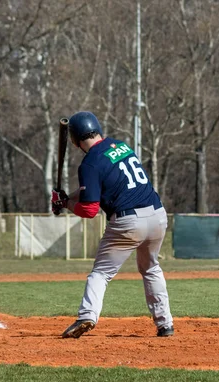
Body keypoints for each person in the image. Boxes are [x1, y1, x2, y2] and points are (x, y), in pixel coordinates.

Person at [51, 111, 174, 338]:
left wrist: (66, 203)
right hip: (157, 215)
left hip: (128, 222)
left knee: (101, 273)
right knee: (151, 268)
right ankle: (165, 324)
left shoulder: (89, 163)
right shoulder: (121, 146)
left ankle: (87, 315)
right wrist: (68, 197)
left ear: (75, 140)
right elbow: (94, 191)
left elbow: (89, 210)